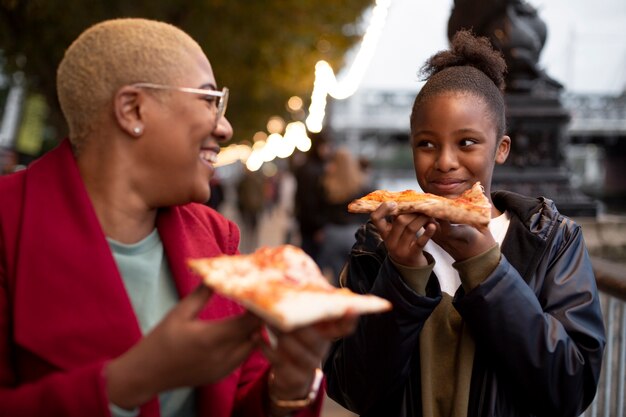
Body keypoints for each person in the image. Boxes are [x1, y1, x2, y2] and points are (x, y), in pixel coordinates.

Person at [0, 18, 356, 417]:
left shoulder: (217, 236)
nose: (225, 126)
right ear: (133, 109)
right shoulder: (8, 225)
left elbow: (244, 397)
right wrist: (133, 380)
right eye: (210, 100)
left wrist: (288, 385)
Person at [323, 30, 605, 417]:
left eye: (467, 143)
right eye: (426, 144)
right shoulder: (376, 245)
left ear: (501, 148)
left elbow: (571, 389)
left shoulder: (552, 241)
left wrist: (486, 266)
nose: (444, 161)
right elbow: (351, 389)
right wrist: (401, 277)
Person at [317, 147, 370, 285]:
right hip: (354, 233)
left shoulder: (327, 183)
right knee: (355, 276)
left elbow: (321, 210)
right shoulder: (361, 184)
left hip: (333, 232)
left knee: (337, 276)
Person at [294, 132, 331, 262]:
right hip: (313, 227)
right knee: (312, 261)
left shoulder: (307, 166)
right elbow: (309, 201)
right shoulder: (314, 170)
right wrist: (318, 226)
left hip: (307, 224)